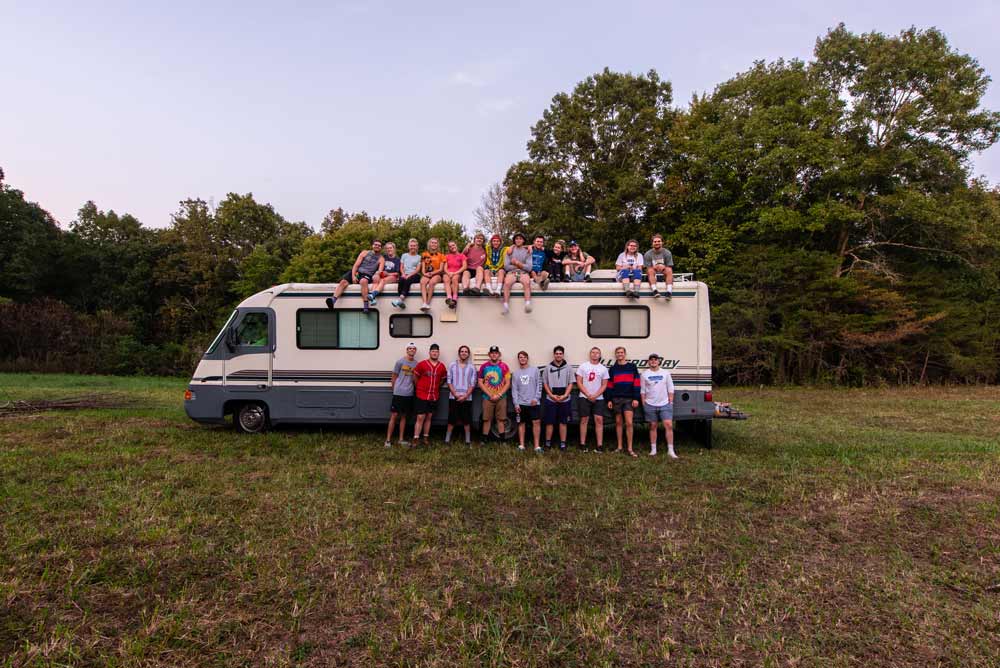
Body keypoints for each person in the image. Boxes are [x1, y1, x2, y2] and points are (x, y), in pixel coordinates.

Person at [326, 239, 384, 313]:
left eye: (379, 245)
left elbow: (380, 271)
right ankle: (333, 300)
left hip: (367, 274)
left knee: (364, 281)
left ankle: (366, 305)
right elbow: (356, 265)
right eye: (376, 244)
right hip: (357, 272)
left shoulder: (381, 259)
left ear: (381, 248)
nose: (377, 246)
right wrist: (353, 276)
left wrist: (377, 274)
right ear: (372, 245)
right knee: (343, 282)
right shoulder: (364, 253)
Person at [607, 346, 641, 457]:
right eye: (618, 353)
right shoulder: (613, 369)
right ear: (615, 355)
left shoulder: (632, 367)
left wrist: (636, 398)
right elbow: (610, 385)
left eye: (621, 352)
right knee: (618, 423)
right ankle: (620, 446)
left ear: (625, 354)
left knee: (629, 423)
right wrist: (609, 399)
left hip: (629, 398)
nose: (620, 354)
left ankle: (630, 448)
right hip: (616, 398)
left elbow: (636, 383)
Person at [641, 353, 677, 458]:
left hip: (665, 404)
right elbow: (643, 390)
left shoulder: (665, 373)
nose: (653, 361)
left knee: (669, 425)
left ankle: (671, 450)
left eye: (655, 360)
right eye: (651, 360)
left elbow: (670, 387)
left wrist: (670, 400)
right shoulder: (645, 374)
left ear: (658, 362)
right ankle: (653, 450)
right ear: (649, 362)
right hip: (650, 404)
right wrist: (644, 402)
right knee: (652, 426)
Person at [412, 343, 447, 445]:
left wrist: (437, 386)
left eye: (436, 352)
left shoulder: (441, 366)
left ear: (438, 353)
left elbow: (443, 379)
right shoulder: (422, 364)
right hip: (421, 394)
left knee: (429, 417)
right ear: (429, 353)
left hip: (434, 395)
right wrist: (419, 387)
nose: (435, 353)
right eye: (433, 351)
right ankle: (416, 438)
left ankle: (425, 438)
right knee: (420, 417)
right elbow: (415, 376)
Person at [576, 346, 609, 452]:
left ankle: (599, 445)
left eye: (597, 353)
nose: (595, 354)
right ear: (590, 354)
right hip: (584, 397)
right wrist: (588, 394)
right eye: (593, 352)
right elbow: (579, 382)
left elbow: (604, 385)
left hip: (598, 398)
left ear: (600, 355)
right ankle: (582, 444)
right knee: (584, 420)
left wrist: (595, 395)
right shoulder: (583, 366)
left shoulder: (603, 368)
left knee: (599, 420)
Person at [542, 345, 574, 450]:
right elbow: (545, 383)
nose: (558, 355)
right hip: (551, 399)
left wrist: (565, 395)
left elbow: (571, 383)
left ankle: (563, 443)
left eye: (560, 354)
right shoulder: (548, 367)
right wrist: (551, 395)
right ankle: (547, 443)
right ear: (554, 355)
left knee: (563, 422)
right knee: (549, 422)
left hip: (565, 399)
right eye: (556, 353)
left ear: (563, 355)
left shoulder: (569, 368)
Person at [385, 342, 417, 447]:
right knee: (394, 415)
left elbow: (415, 379)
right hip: (398, 393)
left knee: (404, 416)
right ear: (406, 350)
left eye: (413, 349)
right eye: (410, 348)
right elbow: (394, 377)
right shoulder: (400, 362)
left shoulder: (416, 364)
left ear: (415, 351)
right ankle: (388, 441)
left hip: (409, 394)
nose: (412, 350)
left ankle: (401, 439)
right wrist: (395, 391)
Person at [478, 345, 511, 442]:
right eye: (492, 353)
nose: (494, 355)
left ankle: (502, 441)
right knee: (486, 419)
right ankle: (484, 440)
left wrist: (499, 395)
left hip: (501, 397)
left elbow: (508, 382)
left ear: (499, 354)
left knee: (501, 420)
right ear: (489, 354)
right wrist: (490, 395)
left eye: (496, 353)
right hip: (487, 398)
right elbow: (480, 382)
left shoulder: (504, 366)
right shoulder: (484, 366)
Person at [511, 350, 542, 452]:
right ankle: (521, 445)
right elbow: (514, 389)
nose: (522, 359)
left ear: (527, 359)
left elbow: (539, 385)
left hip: (533, 402)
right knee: (521, 423)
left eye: (524, 357)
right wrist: (516, 403)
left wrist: (536, 398)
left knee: (536, 423)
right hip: (521, 403)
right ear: (518, 359)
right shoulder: (515, 373)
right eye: (520, 357)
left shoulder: (535, 370)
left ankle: (537, 446)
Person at [445, 345, 476, 445]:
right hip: (453, 397)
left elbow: (473, 383)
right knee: (451, 419)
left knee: (466, 420)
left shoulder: (472, 367)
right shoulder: (452, 365)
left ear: (468, 354)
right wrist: (455, 394)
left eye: (466, 351)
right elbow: (449, 380)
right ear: (459, 353)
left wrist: (465, 396)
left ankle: (467, 440)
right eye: (462, 351)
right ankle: (447, 439)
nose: (464, 353)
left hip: (467, 398)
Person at [502, 232, 533, 315]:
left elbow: (529, 267)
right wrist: (518, 266)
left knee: (527, 282)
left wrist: (517, 263)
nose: (518, 240)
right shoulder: (509, 251)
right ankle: (505, 306)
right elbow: (506, 266)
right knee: (507, 283)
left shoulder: (528, 251)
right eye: (516, 239)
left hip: (524, 273)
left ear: (523, 241)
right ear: (514, 240)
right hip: (511, 272)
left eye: (520, 239)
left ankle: (527, 304)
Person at [392, 238, 422, 309]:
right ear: (409, 246)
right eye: (411, 245)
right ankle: (400, 300)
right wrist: (403, 274)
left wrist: (409, 275)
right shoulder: (404, 255)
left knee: (408, 280)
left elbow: (418, 269)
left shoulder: (419, 257)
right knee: (401, 280)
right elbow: (401, 267)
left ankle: (400, 299)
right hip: (404, 273)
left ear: (417, 247)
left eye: (414, 246)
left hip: (415, 275)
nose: (413, 247)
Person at [644, 234, 674, 301]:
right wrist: (654, 267)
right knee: (650, 270)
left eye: (659, 241)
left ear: (662, 242)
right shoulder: (648, 254)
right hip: (652, 273)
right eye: (655, 242)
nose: (657, 243)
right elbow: (648, 268)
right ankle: (654, 291)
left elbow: (669, 265)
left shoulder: (667, 253)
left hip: (664, 272)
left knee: (669, 270)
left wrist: (663, 266)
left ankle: (669, 292)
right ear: (652, 243)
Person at [419, 238, 446, 311]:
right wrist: (424, 273)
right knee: (422, 282)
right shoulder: (424, 254)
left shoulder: (441, 255)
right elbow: (423, 267)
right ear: (429, 244)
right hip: (427, 274)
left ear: (437, 245)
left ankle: (428, 303)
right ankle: (424, 302)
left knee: (431, 283)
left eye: (435, 243)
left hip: (437, 274)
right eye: (432, 243)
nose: (433, 244)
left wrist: (432, 273)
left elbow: (441, 269)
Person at [443, 240, 467, 309]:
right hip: (449, 273)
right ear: (449, 249)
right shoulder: (447, 256)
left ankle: (455, 298)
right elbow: (445, 268)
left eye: (453, 245)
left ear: (456, 245)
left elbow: (464, 266)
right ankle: (449, 297)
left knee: (454, 279)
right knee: (445, 278)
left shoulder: (462, 256)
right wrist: (448, 273)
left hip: (458, 273)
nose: (452, 247)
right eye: (450, 246)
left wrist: (455, 273)